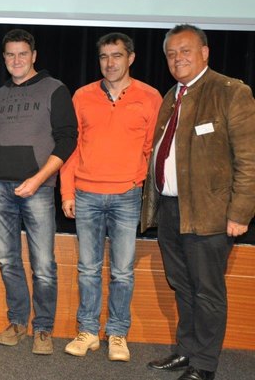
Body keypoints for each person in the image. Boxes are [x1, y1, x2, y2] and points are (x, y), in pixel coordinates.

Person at [142, 24, 255, 380]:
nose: (178, 59)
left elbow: (249, 160)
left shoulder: (230, 92)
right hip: (172, 209)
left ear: (205, 52)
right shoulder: (171, 95)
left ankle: (204, 364)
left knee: (207, 291)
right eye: (172, 54)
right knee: (183, 285)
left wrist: (239, 213)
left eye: (185, 51)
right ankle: (186, 351)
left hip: (211, 214)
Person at [60, 33, 162, 362]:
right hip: (87, 193)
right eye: (104, 56)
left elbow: (152, 149)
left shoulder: (150, 97)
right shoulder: (82, 96)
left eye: (117, 56)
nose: (110, 63)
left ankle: (117, 334)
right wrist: (67, 191)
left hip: (126, 195)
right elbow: (70, 148)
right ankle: (88, 331)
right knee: (88, 269)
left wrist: (136, 181)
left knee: (122, 272)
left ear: (131, 58)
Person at [0, 29, 77, 354]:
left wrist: (39, 179)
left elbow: (67, 139)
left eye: (22, 54)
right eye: (10, 55)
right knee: (8, 260)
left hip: (38, 189)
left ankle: (43, 329)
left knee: (43, 264)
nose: (16, 60)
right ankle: (18, 321)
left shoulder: (55, 89)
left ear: (34, 56)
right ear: (4, 59)